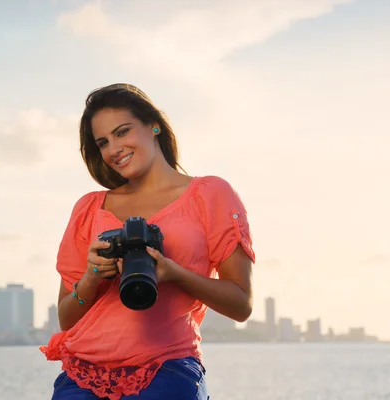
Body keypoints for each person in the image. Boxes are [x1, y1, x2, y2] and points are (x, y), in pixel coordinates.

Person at [40, 83, 255, 400]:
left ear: (153, 124)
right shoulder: (89, 207)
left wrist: (172, 272)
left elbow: (241, 305)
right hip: (81, 378)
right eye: (103, 142)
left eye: (122, 131)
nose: (114, 149)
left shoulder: (210, 194)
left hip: (167, 369)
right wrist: (93, 276)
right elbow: (67, 318)